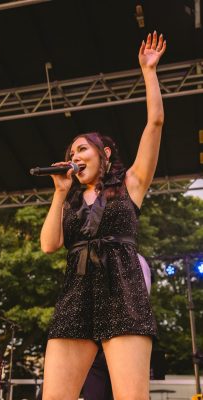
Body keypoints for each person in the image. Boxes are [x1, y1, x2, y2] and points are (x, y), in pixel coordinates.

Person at [40, 31, 166, 400]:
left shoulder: (130, 184)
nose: (75, 154)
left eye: (82, 148)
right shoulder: (71, 199)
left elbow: (155, 125)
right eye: (71, 150)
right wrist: (60, 192)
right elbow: (49, 245)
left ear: (105, 154)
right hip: (76, 294)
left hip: (123, 290)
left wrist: (149, 72)